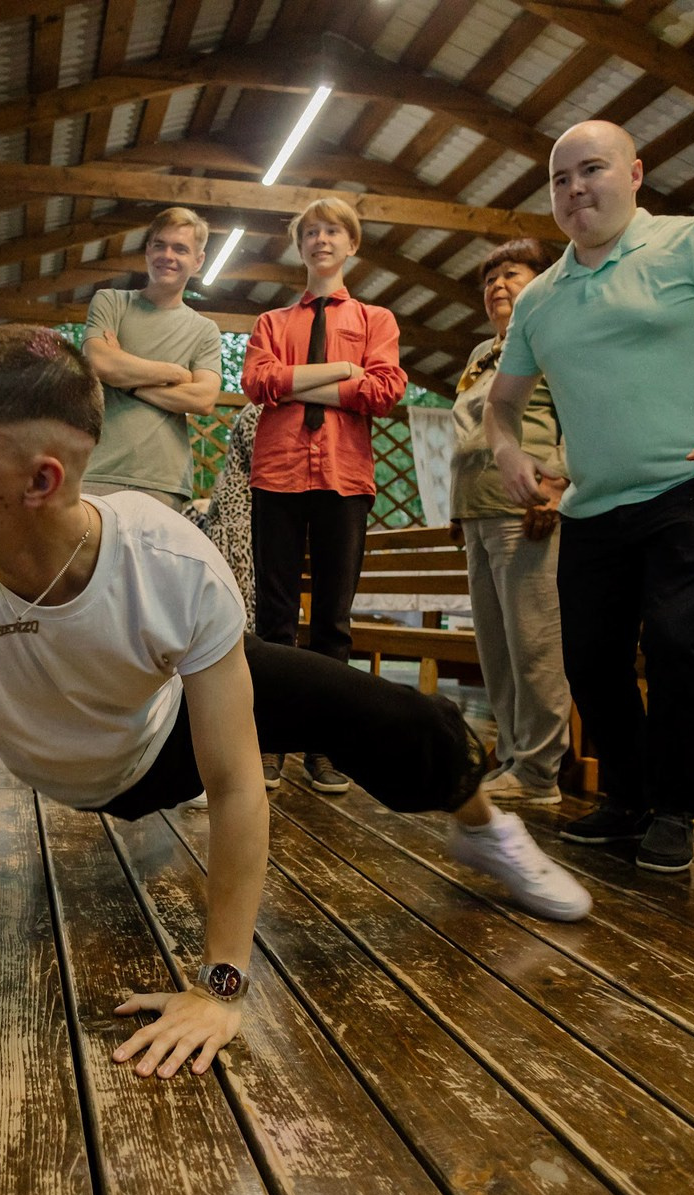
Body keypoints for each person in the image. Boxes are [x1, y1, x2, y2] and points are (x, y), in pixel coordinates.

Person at [0, 326, 592, 1079]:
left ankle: (482, 822)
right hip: (84, 768)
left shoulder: (171, 570)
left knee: (391, 718)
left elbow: (239, 785)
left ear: (41, 480)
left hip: (167, 736)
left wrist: (222, 983)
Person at [486, 120, 694, 873]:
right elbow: (500, 404)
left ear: (635, 174)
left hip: (692, 485)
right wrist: (510, 451)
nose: (576, 189)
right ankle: (626, 800)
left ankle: (676, 806)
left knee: (678, 641)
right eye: (560, 179)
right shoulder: (539, 300)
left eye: (592, 170)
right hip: (593, 506)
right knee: (592, 662)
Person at [240, 198, 408, 796]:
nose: (320, 239)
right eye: (309, 231)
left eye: (332, 230)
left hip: (344, 478)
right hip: (278, 477)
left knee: (334, 620)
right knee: (275, 617)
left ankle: (326, 747)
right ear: (300, 245)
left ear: (351, 243)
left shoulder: (376, 319)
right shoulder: (272, 324)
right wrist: (341, 371)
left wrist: (301, 381)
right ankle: (271, 742)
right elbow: (257, 383)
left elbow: (386, 391)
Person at [450, 239, 570, 806]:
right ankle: (512, 756)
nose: (497, 285)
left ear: (540, 279)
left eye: (511, 273)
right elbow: (470, 433)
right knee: (494, 646)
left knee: (533, 643)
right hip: (476, 510)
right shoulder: (481, 352)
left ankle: (541, 771)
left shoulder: (553, 335)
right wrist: (455, 508)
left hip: (526, 504)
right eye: (489, 278)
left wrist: (557, 485)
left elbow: (576, 415)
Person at [80, 207, 223, 509]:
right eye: (160, 244)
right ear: (147, 251)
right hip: (98, 469)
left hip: (164, 480)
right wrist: (174, 373)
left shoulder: (205, 330)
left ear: (198, 261)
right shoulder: (111, 301)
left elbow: (203, 399)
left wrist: (128, 382)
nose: (167, 255)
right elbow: (99, 362)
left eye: (180, 249)